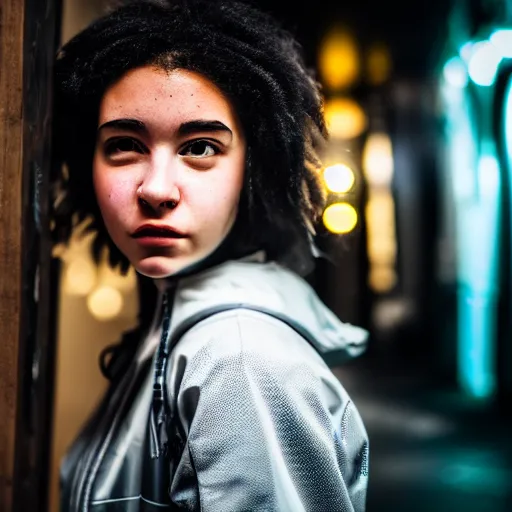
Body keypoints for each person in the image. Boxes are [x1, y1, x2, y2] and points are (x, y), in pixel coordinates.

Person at [51, 0, 369, 510]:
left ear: (252, 170)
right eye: (124, 144)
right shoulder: (173, 325)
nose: (157, 189)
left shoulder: (240, 363)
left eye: (200, 147)